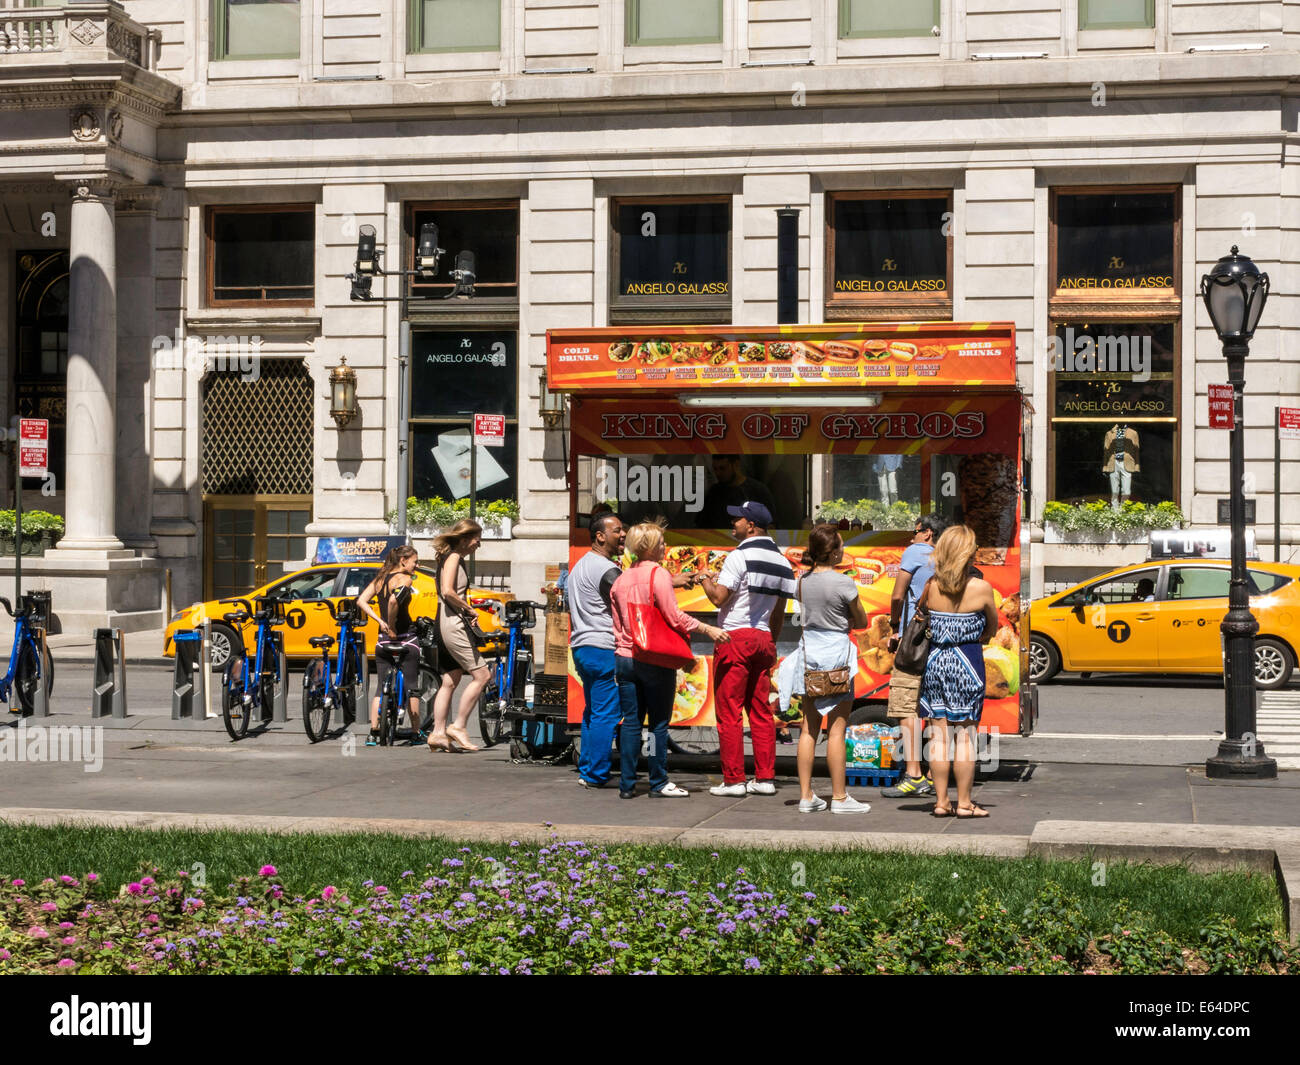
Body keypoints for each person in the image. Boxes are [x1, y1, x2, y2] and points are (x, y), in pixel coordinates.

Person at [610, 521, 729, 798]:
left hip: (625, 657)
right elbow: (674, 617)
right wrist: (707, 628)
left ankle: (626, 785)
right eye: (661, 543)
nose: (665, 547)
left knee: (630, 722)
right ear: (649, 547)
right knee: (659, 723)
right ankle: (658, 782)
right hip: (654, 657)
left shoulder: (621, 578)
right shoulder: (659, 575)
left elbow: (617, 623)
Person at [698, 501, 796, 796]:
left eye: (737, 520)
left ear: (750, 526)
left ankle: (734, 780)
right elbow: (779, 613)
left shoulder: (738, 557)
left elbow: (718, 598)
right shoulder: (782, 561)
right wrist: (770, 641)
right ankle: (765, 778)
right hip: (764, 638)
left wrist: (704, 577)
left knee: (729, 713)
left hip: (734, 639)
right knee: (761, 712)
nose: (733, 524)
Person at [917, 525, 999, 818]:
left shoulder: (932, 585)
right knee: (965, 737)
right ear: (967, 554)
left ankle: (941, 802)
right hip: (967, 661)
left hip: (936, 661)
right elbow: (992, 626)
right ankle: (964, 803)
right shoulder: (981, 588)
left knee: (938, 736)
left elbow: (920, 613)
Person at [794, 524, 872, 814]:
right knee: (837, 729)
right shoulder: (844, 584)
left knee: (808, 728)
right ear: (834, 552)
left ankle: (806, 795)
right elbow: (861, 620)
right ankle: (839, 798)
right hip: (837, 656)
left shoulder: (802, 582)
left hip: (810, 655)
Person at [882, 514, 947, 799]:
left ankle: (913, 774)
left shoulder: (915, 552)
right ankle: (934, 775)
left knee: (906, 704)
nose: (911, 536)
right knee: (934, 709)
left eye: (915, 531)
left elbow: (898, 595)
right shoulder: (948, 558)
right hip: (941, 641)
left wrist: (894, 627)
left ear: (928, 533)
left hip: (914, 640)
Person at [569, 512, 626, 789]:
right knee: (606, 714)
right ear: (600, 536)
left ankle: (588, 769)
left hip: (582, 647)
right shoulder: (605, 569)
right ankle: (595, 774)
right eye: (617, 531)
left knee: (593, 712)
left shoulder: (581, 566)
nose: (623, 534)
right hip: (603, 648)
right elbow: (629, 594)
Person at [428, 519, 490, 753]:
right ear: (465, 539)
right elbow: (447, 591)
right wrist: (469, 609)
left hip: (444, 621)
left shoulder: (450, 557)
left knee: (451, 679)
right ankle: (459, 726)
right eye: (477, 539)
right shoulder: (454, 557)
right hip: (453, 623)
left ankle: (437, 733)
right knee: (483, 675)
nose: (478, 544)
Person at [356, 545, 423, 748]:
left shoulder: (380, 578)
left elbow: (361, 601)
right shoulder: (405, 579)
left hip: (383, 640)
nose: (417, 565)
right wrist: (392, 626)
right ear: (403, 560)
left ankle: (373, 732)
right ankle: (415, 732)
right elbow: (394, 601)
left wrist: (381, 621)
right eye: (415, 561)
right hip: (405, 637)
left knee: (379, 687)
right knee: (412, 685)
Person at [695, 455, 777, 529]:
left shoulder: (758, 490)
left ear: (736, 465)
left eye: (722, 468)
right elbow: (702, 524)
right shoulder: (714, 492)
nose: (718, 473)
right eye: (715, 469)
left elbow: (771, 526)